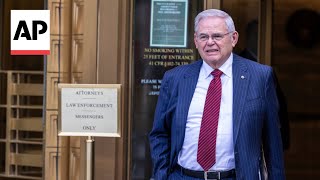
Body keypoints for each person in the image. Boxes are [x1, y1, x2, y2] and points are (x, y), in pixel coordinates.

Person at [149, 9, 285, 180]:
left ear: (233, 38)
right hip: (183, 176)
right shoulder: (175, 78)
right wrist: (162, 176)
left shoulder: (259, 77)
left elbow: (273, 142)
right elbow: (160, 134)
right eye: (203, 37)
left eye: (217, 36)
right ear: (195, 41)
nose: (210, 42)